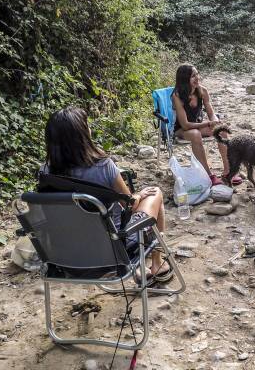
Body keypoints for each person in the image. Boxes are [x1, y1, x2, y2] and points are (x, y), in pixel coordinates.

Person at [43, 106, 172, 283]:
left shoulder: (46, 174)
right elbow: (130, 205)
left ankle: (144, 268)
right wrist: (138, 195)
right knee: (155, 193)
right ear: (82, 134)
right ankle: (156, 264)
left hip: (65, 260)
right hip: (113, 255)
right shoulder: (104, 167)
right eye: (86, 124)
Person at [172, 63, 242, 186]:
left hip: (198, 126)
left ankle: (228, 171)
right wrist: (208, 123)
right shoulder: (177, 96)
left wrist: (215, 122)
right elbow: (185, 125)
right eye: (193, 76)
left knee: (221, 130)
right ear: (184, 79)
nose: (197, 78)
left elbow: (211, 114)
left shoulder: (202, 91)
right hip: (181, 130)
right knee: (195, 134)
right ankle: (208, 175)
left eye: (197, 74)